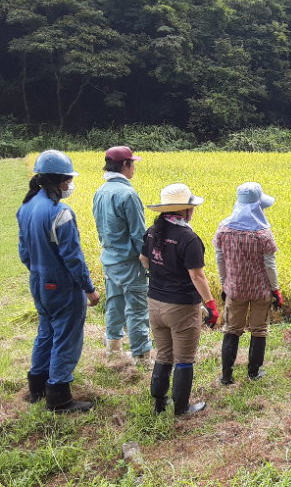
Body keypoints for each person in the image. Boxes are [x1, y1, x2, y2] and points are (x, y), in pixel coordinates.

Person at [17, 150, 99, 413]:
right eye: (68, 180)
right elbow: (73, 258)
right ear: (58, 181)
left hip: (38, 282)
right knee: (66, 337)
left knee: (46, 332)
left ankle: (37, 388)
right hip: (62, 284)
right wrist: (89, 289)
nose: (69, 185)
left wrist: (39, 273)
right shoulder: (60, 212)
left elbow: (24, 252)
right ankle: (59, 397)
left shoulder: (26, 206)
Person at [140, 183, 219, 415]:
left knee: (164, 354)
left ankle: (159, 403)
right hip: (182, 307)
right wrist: (211, 305)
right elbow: (197, 275)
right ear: (184, 210)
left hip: (154, 303)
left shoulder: (152, 231)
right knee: (184, 357)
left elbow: (144, 259)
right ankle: (182, 407)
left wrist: (161, 273)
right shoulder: (188, 238)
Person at [213, 182, 283, 385]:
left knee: (231, 329)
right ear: (258, 206)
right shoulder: (263, 233)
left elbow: (220, 260)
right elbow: (270, 265)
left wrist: (225, 284)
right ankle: (253, 372)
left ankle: (226, 375)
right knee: (259, 329)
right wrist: (275, 289)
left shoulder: (224, 229)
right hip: (261, 289)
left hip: (235, 289)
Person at [92, 146, 153, 367]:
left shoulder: (100, 191)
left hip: (110, 259)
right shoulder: (128, 194)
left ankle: (113, 352)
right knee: (137, 310)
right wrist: (148, 261)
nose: (134, 167)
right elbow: (139, 235)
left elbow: (100, 228)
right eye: (133, 163)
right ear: (125, 165)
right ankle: (142, 357)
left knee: (114, 305)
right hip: (129, 263)